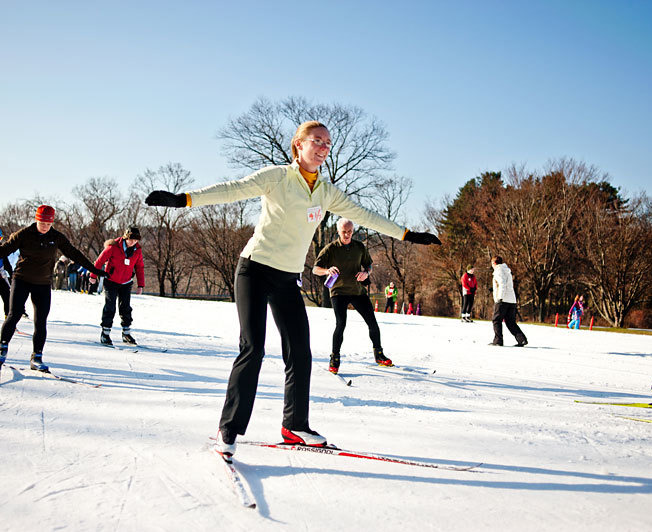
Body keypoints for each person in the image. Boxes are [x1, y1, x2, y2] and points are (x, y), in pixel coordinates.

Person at [145, 120, 440, 457]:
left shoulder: (325, 192)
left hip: (287, 278)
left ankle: (294, 425)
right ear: (298, 144)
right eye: (317, 141)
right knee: (252, 348)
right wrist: (183, 200)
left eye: (328, 143)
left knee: (300, 352)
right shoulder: (278, 178)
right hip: (254, 270)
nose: (324, 147)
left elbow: (364, 214)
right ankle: (229, 429)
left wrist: (407, 234)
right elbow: (232, 190)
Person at [0, 205, 107, 372]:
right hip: (21, 280)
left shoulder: (56, 237)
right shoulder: (23, 234)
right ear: (37, 219)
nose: (45, 227)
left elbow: (74, 253)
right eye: (42, 223)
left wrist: (95, 270)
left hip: (43, 283)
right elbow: (2, 251)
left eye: (48, 224)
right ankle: (3, 346)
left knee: (41, 321)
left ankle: (37, 356)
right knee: (14, 314)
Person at [314, 218, 392, 374]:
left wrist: (366, 273)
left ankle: (379, 355)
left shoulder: (359, 247)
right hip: (339, 292)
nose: (347, 234)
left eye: (350, 231)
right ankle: (334, 358)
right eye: (344, 231)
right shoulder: (330, 249)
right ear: (338, 231)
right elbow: (315, 269)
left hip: (358, 291)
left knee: (372, 323)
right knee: (341, 324)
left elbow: (368, 265)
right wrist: (327, 271)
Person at [90, 227, 145, 346]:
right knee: (110, 307)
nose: (133, 242)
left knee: (125, 307)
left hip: (126, 282)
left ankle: (126, 333)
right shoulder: (113, 247)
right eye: (131, 239)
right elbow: (99, 261)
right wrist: (93, 276)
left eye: (136, 240)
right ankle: (105, 333)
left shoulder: (137, 250)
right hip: (111, 281)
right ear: (126, 237)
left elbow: (139, 267)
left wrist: (141, 284)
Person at [489, 255, 528, 347]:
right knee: (510, 322)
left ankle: (498, 340)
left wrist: (499, 298)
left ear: (494, 263)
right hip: (511, 300)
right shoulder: (507, 271)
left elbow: (502, 284)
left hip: (503, 300)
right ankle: (521, 339)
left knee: (496, 320)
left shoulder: (498, 271)